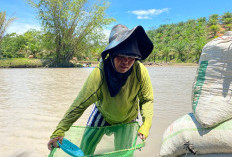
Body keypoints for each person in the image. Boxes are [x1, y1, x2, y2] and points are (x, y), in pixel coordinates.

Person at [47, 24, 154, 154]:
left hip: (128, 118)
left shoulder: (140, 71)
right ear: (112, 54)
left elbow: (147, 100)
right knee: (86, 148)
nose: (126, 62)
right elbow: (79, 104)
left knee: (122, 154)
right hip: (102, 113)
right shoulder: (99, 74)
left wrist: (146, 124)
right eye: (121, 56)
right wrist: (59, 130)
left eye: (131, 58)